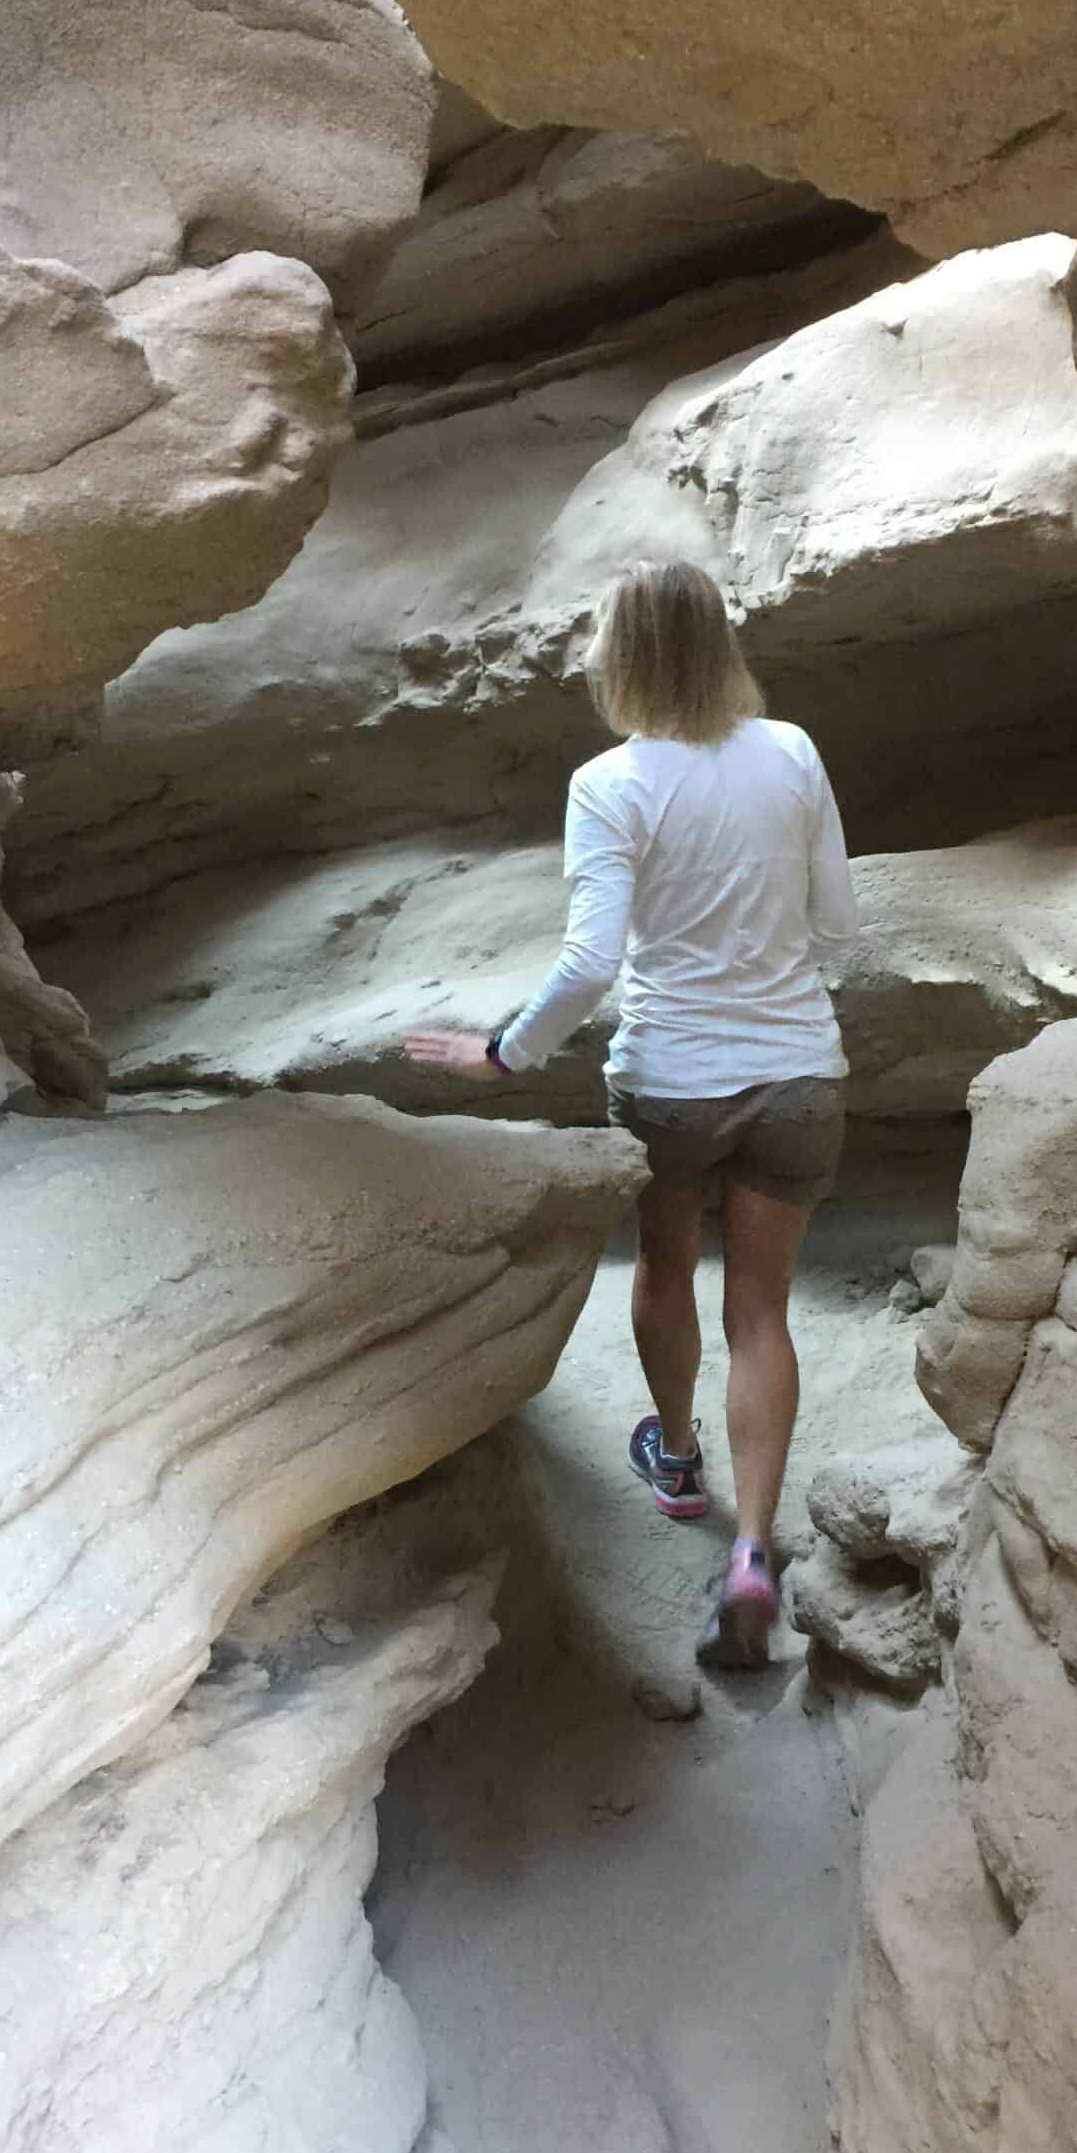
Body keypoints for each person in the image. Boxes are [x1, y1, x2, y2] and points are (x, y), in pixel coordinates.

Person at [405, 559, 858, 1667]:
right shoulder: (791, 752)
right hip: (798, 1071)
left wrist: (505, 1054)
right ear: (718, 645)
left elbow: (589, 963)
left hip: (669, 1080)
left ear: (621, 656)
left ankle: (678, 1453)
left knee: (666, 1267)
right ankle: (753, 1550)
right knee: (764, 1306)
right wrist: (781, 1001)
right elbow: (839, 924)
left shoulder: (609, 783)